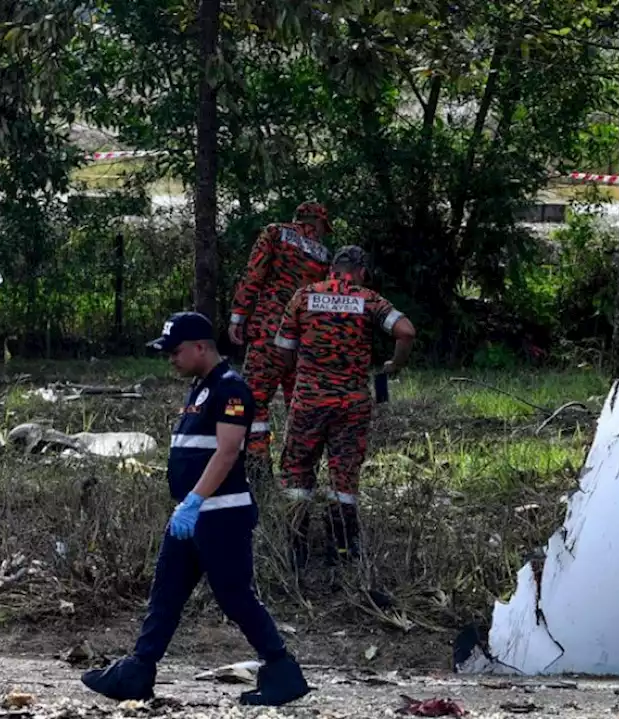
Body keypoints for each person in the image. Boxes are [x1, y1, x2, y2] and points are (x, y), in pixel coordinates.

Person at [80, 312, 310, 707]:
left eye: (176, 350)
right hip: (190, 514)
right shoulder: (200, 387)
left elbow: (227, 452)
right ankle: (138, 671)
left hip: (220, 514)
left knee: (234, 595)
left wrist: (195, 500)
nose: (170, 357)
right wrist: (186, 505)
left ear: (201, 347)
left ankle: (282, 668)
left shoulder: (231, 388)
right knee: (166, 593)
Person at [274, 246, 416, 567]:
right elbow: (406, 331)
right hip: (351, 405)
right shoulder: (367, 299)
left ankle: (297, 553)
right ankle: (343, 552)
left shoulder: (304, 296)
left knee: (297, 470)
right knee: (344, 474)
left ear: (332, 268)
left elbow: (283, 348)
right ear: (361, 271)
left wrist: (303, 371)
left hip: (309, 401)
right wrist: (394, 364)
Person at [227, 202, 333, 460]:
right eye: (322, 227)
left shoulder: (275, 233)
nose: (322, 233)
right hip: (304, 339)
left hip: (269, 331)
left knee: (254, 400)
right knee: (299, 406)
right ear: (316, 222)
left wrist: (238, 317)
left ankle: (257, 466)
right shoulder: (325, 255)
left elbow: (254, 275)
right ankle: (299, 476)